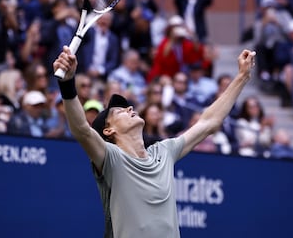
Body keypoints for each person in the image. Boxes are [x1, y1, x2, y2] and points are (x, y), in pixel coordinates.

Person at [53, 45, 256, 237]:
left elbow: (209, 122)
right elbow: (82, 130)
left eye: (128, 107)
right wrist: (67, 83)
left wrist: (241, 77)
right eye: (120, 111)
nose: (130, 109)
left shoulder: (164, 151)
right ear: (108, 130)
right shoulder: (111, 159)